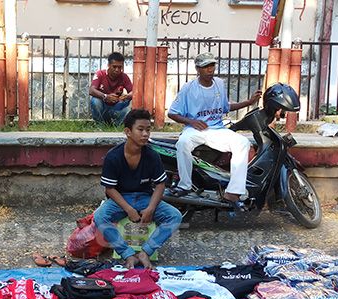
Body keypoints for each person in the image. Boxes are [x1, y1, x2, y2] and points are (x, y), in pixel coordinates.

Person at [167, 51, 262, 209]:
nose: (210, 69)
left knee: (243, 143)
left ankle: (233, 192)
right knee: (182, 143)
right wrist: (191, 121)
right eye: (205, 67)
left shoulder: (219, 83)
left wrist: (249, 102)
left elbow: (226, 107)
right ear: (198, 69)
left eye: (212, 65)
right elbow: (172, 113)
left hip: (217, 129)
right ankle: (184, 185)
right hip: (194, 129)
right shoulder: (188, 88)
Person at [94, 109, 182, 269]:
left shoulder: (152, 155)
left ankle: (145, 252)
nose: (145, 134)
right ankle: (127, 254)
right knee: (100, 217)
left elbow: (160, 184)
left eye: (148, 130)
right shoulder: (113, 157)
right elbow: (110, 189)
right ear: (128, 131)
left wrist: (151, 208)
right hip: (121, 199)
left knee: (174, 216)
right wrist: (128, 209)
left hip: (144, 197)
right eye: (140, 129)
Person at [89, 52, 134, 126]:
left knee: (128, 109)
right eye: (114, 66)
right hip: (103, 106)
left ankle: (116, 126)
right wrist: (106, 97)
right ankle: (100, 125)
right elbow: (91, 90)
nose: (117, 70)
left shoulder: (124, 76)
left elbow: (133, 92)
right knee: (95, 101)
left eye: (120, 67)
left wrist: (126, 96)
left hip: (117, 107)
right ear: (108, 65)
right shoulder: (100, 74)